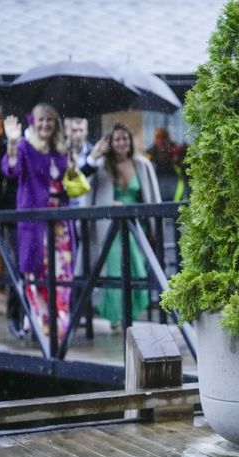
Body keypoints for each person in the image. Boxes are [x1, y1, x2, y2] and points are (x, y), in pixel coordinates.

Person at [1, 104, 76, 342]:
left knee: (62, 275)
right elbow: (10, 170)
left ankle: (60, 325)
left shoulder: (61, 150)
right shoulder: (25, 147)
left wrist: (73, 169)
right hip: (35, 224)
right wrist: (12, 143)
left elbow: (68, 185)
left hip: (61, 224)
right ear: (34, 123)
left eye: (50, 121)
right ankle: (41, 326)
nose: (45, 125)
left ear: (56, 125)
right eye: (41, 120)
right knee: (35, 275)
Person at [86, 123, 161, 329]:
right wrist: (110, 205)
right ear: (111, 142)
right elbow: (87, 190)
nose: (121, 143)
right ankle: (115, 316)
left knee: (136, 267)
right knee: (116, 268)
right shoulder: (102, 166)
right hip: (111, 228)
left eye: (125, 138)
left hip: (136, 226)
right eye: (117, 139)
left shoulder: (141, 164)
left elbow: (150, 196)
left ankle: (132, 313)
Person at [0, 116, 23, 339]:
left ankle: (36, 319)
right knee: (17, 267)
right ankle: (15, 317)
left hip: (37, 216)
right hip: (13, 216)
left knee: (34, 270)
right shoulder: (4, 149)